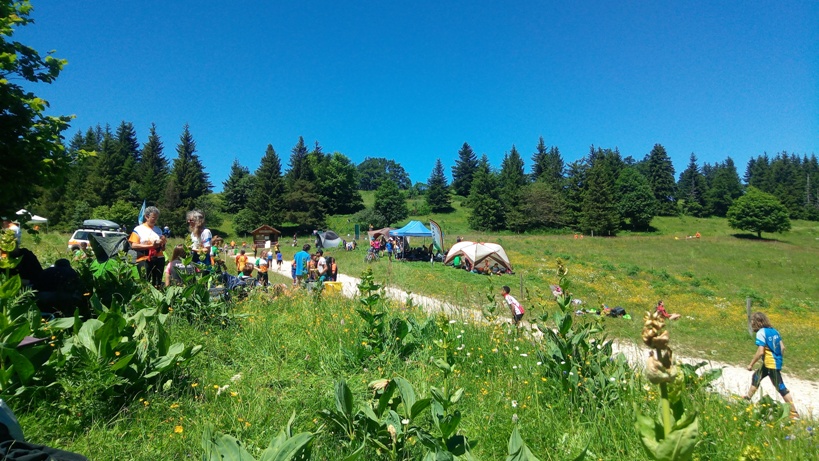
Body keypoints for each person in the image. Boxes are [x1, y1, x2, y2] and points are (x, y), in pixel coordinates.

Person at [744, 312, 799, 419]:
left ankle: (794, 412)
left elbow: (760, 352)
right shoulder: (774, 331)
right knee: (756, 376)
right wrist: (778, 358)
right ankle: (747, 398)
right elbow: (782, 347)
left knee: (781, 387)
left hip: (770, 364)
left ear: (758, 322)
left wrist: (751, 364)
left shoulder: (761, 332)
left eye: (752, 321)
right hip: (772, 362)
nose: (751, 324)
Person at [129, 206, 166, 287]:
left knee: (157, 282)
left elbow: (163, 248)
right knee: (145, 281)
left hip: (159, 257)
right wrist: (151, 246)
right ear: (146, 216)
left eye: (156, 218)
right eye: (153, 217)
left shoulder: (158, 230)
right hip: (144, 258)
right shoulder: (138, 229)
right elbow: (133, 245)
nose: (155, 220)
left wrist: (163, 243)